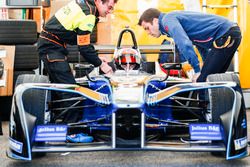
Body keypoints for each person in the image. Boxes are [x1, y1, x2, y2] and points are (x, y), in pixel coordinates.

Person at [37, 0, 118, 142]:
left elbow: (80, 41)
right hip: (52, 49)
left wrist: (97, 59)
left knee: (62, 89)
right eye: (109, 7)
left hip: (52, 46)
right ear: (99, 2)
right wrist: (101, 65)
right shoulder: (89, 14)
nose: (109, 11)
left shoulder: (83, 4)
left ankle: (59, 127)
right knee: (71, 91)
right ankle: (72, 133)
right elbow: (84, 48)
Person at [138, 8, 242, 82]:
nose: (148, 32)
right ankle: (229, 112)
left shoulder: (167, 20)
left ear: (155, 21)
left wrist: (197, 71)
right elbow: (200, 44)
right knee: (215, 79)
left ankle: (204, 111)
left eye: (147, 28)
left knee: (203, 81)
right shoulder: (172, 19)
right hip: (231, 33)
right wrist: (205, 66)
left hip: (225, 34)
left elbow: (184, 44)